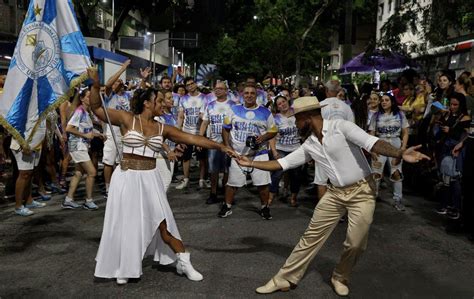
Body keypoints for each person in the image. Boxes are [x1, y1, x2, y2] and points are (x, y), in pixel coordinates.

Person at [236, 96, 429, 296]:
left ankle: (340, 276)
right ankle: (284, 279)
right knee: (310, 238)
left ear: (308, 117)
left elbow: (373, 143)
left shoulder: (341, 127)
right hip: (335, 193)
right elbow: (282, 164)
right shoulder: (310, 144)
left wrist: (399, 153)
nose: (294, 124)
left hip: (362, 192)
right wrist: (250, 163)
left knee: (355, 243)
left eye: (296, 119)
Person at [88, 68, 236, 285]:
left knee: (163, 222)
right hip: (127, 177)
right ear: (147, 103)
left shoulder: (163, 127)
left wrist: (221, 147)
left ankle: (184, 262)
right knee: (126, 223)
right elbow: (96, 107)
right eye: (159, 100)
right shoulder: (127, 119)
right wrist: (94, 84)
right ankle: (124, 266)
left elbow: (193, 139)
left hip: (150, 178)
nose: (163, 103)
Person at [218, 84, 277, 219]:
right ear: (242, 95)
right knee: (232, 184)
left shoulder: (265, 112)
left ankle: (265, 208)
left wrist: (262, 138)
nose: (249, 95)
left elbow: (273, 130)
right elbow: (225, 128)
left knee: (263, 184)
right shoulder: (233, 110)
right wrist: (227, 147)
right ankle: (227, 206)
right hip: (237, 154)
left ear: (256, 96)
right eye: (246, 93)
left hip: (259, 154)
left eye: (252, 93)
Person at [62, 89, 102, 210]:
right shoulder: (79, 111)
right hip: (77, 146)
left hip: (82, 146)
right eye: (89, 96)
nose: (91, 98)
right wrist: (86, 136)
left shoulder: (87, 111)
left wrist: (98, 134)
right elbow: (69, 128)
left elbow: (85, 129)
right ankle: (88, 201)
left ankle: (68, 200)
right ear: (82, 98)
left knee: (79, 173)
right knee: (92, 172)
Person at [369, 93, 409, 211]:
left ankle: (398, 200)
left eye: (387, 100)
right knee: (376, 173)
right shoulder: (375, 116)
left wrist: (403, 148)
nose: (384, 102)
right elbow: (371, 133)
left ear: (392, 102)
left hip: (395, 143)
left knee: (396, 173)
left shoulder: (400, 115)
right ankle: (372, 198)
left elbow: (405, 132)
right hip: (380, 144)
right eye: (382, 100)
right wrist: (372, 149)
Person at [199, 80, 236, 204]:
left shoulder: (233, 105)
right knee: (213, 170)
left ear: (226, 91)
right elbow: (205, 122)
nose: (217, 90)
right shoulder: (210, 105)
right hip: (213, 143)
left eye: (220, 88)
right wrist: (200, 138)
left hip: (229, 143)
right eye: (216, 88)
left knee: (227, 170)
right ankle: (213, 193)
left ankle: (227, 194)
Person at [175, 77, 209, 190]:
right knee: (186, 157)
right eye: (188, 85)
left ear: (195, 84)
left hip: (200, 132)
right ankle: (186, 180)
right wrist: (178, 132)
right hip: (186, 131)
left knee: (202, 158)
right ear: (186, 87)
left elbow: (205, 118)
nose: (190, 86)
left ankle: (202, 180)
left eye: (192, 83)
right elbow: (180, 116)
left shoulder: (204, 98)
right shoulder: (183, 99)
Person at [269, 95, 301, 207]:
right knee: (277, 174)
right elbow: (271, 135)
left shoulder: (297, 113)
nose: (283, 104)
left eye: (283, 101)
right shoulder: (276, 118)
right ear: (277, 107)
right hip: (281, 149)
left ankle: (293, 198)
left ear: (288, 101)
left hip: (296, 149)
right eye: (279, 104)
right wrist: (274, 151)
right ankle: (270, 196)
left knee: (296, 175)